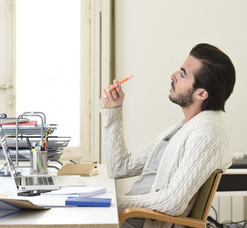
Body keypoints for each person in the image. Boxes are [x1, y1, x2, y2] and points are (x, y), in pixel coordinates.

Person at [101, 43, 236, 228]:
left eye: (182, 74)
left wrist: (111, 203)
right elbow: (119, 167)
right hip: (126, 218)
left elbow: (172, 202)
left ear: (201, 93)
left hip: (134, 222)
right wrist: (113, 110)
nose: (173, 75)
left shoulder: (208, 134)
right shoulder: (182, 129)